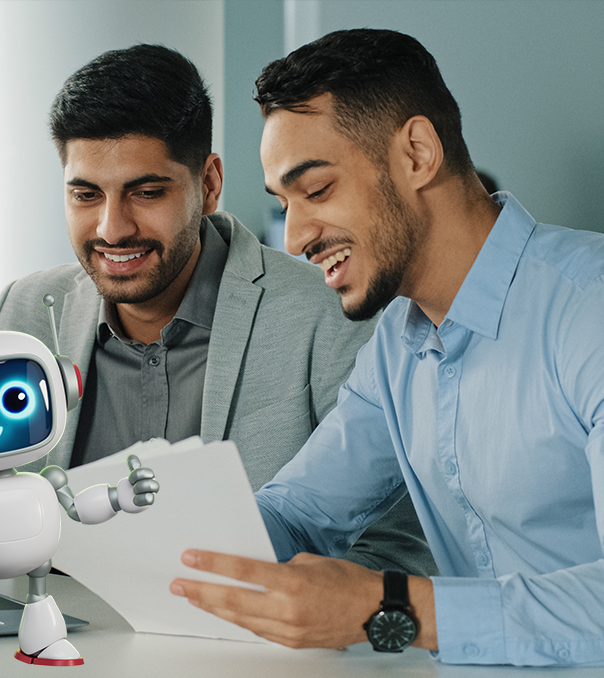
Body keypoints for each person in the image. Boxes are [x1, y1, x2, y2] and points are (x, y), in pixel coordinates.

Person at [0, 43, 435, 593]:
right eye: (86, 195)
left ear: (209, 184)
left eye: (147, 192)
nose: (112, 228)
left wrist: (284, 601)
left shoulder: (332, 315)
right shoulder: (27, 311)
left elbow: (402, 542)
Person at [169, 28, 604, 666]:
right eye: (285, 203)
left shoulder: (589, 310)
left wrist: (388, 606)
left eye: (317, 190)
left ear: (417, 154)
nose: (295, 239)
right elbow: (300, 512)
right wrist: (173, 547)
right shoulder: (397, 346)